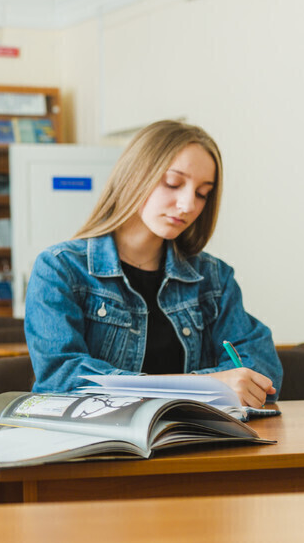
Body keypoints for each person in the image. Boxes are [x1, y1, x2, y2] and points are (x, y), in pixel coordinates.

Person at [25, 120, 281, 407]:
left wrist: (228, 382)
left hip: (191, 433)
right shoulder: (60, 269)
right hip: (99, 435)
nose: (188, 205)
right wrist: (204, 386)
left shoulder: (214, 277)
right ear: (134, 176)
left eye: (202, 193)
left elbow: (262, 368)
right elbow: (60, 379)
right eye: (173, 183)